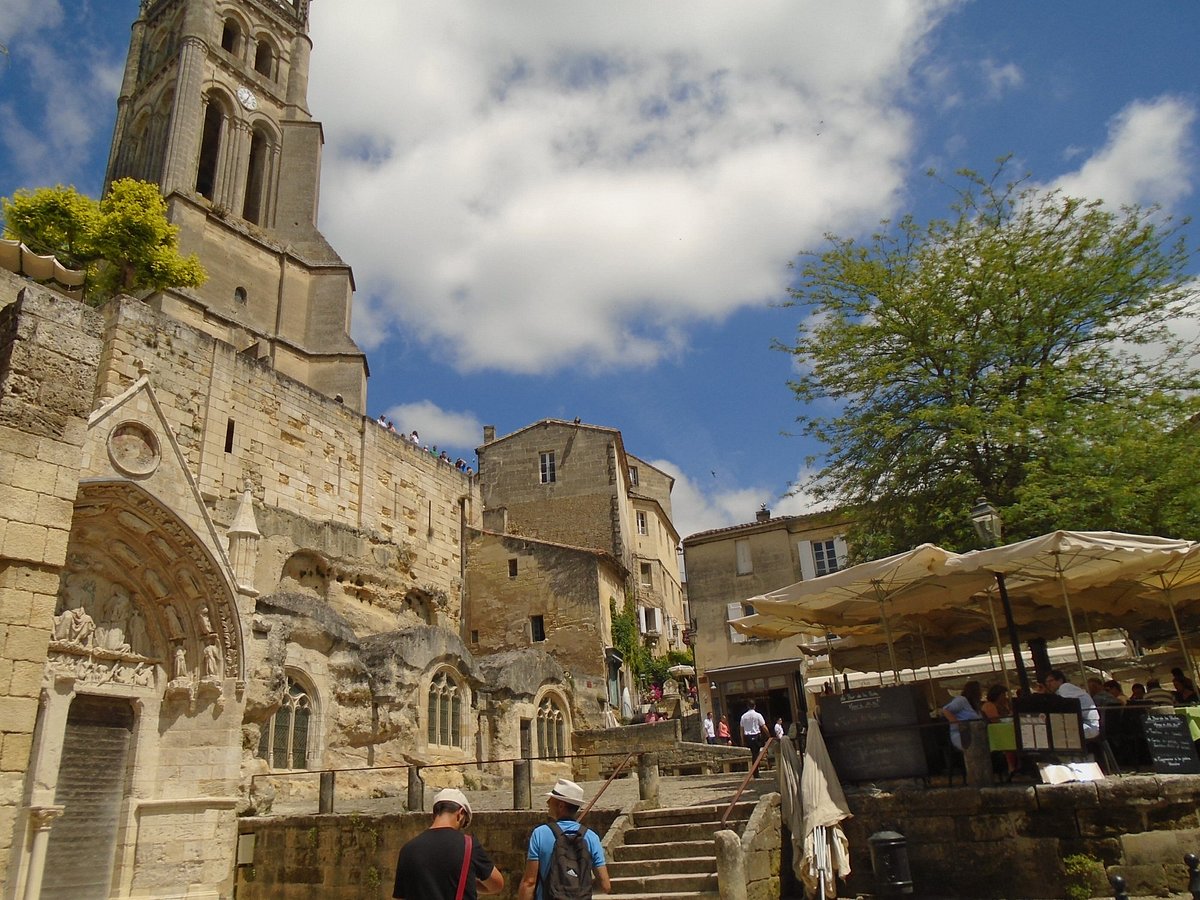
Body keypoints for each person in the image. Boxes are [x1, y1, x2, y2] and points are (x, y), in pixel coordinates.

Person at [393, 788, 503, 900]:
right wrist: (467, 882)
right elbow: (497, 884)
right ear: (460, 814)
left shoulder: (408, 850)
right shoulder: (468, 845)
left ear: (434, 815)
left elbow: (401, 896)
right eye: (463, 824)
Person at [517, 778, 611, 900]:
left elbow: (529, 882)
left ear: (561, 805)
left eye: (551, 799)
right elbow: (606, 886)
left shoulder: (540, 834)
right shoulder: (591, 837)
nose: (547, 802)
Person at [1044, 670, 1100, 740]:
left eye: (1050, 681)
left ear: (1060, 680)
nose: (1048, 684)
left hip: (1087, 726)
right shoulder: (1063, 691)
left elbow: (1062, 706)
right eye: (1046, 682)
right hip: (1085, 724)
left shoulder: (1065, 687)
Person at [941, 680, 983, 751]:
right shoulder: (961, 700)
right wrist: (957, 724)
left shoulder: (974, 705)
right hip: (962, 735)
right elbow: (946, 710)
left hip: (974, 735)